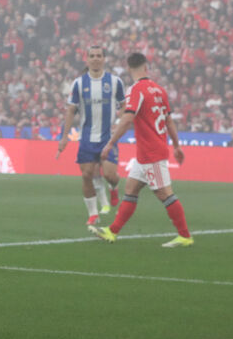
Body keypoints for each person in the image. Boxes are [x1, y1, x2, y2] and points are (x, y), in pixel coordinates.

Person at [91, 52, 193, 248]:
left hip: (150, 153)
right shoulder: (159, 90)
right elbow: (169, 120)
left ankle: (185, 236)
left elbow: (128, 118)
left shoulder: (135, 90)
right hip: (150, 152)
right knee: (131, 189)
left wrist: (110, 143)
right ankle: (112, 231)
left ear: (129, 69)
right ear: (147, 67)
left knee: (165, 194)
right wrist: (177, 145)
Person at [56, 45, 125, 226]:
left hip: (107, 138)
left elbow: (124, 107)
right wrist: (64, 137)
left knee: (110, 174)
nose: (95, 59)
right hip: (86, 138)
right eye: (92, 56)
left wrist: (121, 125)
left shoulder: (115, 82)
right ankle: (93, 213)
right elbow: (71, 110)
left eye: (99, 56)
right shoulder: (79, 83)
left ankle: (114, 187)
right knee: (87, 175)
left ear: (104, 59)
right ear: (87, 59)